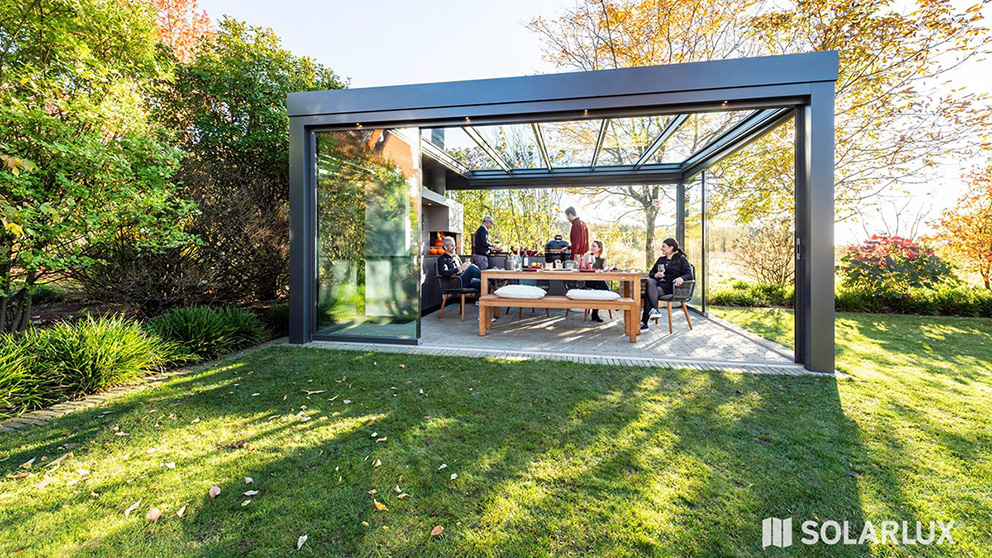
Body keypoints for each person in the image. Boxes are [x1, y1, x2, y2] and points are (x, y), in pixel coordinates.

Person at [640, 238, 693, 331]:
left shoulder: (681, 260)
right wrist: (656, 275)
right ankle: (655, 310)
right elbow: (651, 273)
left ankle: (644, 322)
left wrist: (681, 278)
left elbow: (689, 274)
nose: (662, 248)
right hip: (659, 284)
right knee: (650, 281)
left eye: (664, 246)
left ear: (671, 247)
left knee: (649, 293)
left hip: (672, 286)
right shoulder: (661, 259)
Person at [586, 240, 611, 323]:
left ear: (599, 248)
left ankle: (595, 313)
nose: (592, 248)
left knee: (599, 289)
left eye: (594, 246)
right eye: (592, 246)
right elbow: (583, 267)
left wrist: (606, 270)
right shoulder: (587, 255)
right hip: (588, 280)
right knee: (603, 288)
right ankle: (613, 301)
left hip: (598, 280)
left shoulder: (603, 258)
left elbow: (604, 269)